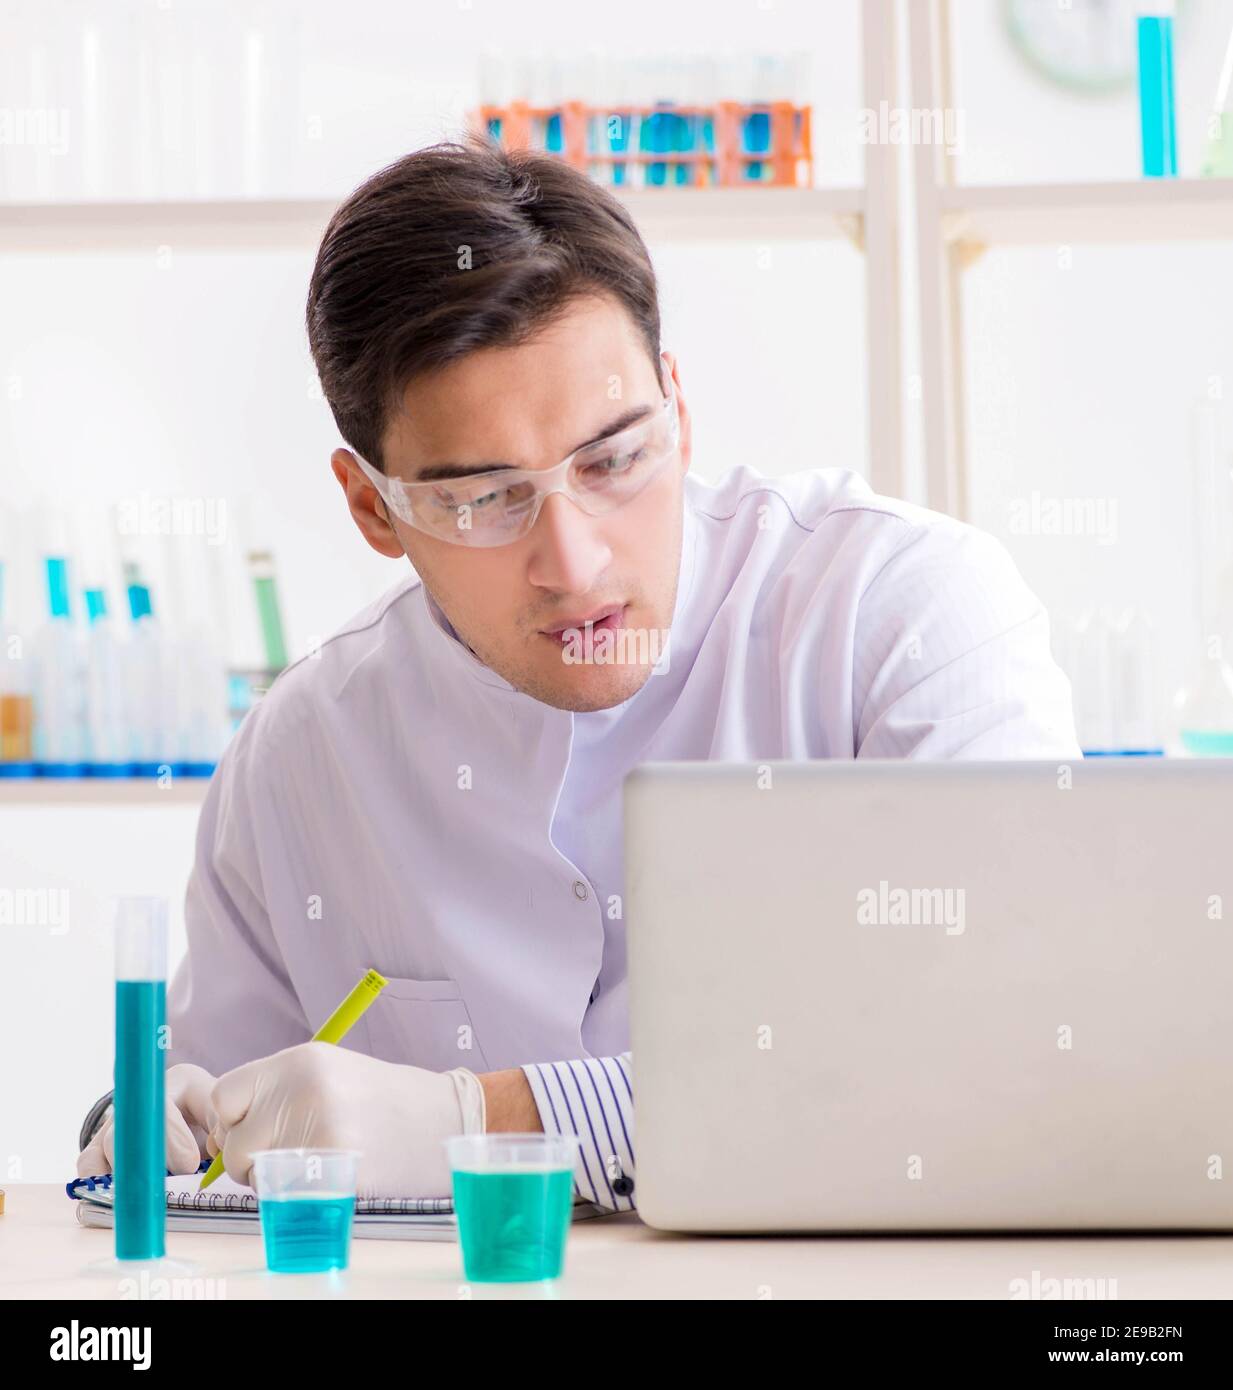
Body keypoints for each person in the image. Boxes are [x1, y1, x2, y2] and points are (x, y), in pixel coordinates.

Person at [77, 136, 1079, 1211]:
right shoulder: (303, 756)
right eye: (482, 499)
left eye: (614, 459)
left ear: (679, 406)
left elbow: (998, 1072)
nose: (575, 562)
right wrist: (144, 1127)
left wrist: (476, 1122)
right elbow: (211, 1143)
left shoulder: (902, 617)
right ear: (372, 508)